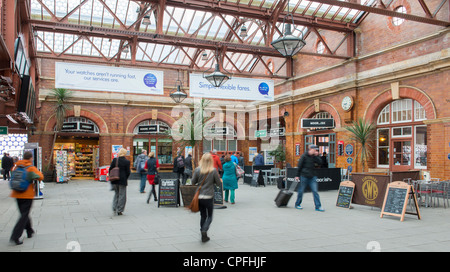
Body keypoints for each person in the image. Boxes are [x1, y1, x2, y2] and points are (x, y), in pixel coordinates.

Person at [10, 151, 43, 245]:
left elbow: (12, 175)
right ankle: (15, 236)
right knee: (24, 215)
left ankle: (29, 230)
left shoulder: (16, 166)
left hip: (16, 193)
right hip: (27, 194)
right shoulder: (30, 168)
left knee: (24, 213)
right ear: (31, 158)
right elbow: (41, 176)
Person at [191, 153, 222, 243]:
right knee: (210, 216)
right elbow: (218, 183)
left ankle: (203, 235)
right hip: (209, 196)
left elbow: (193, 182)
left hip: (199, 196)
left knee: (203, 215)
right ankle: (204, 230)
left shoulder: (197, 170)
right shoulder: (213, 171)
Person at [294, 145, 324, 212]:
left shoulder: (314, 157)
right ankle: (297, 204)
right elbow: (299, 166)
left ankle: (318, 206)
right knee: (301, 191)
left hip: (312, 176)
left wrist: (317, 156)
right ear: (310, 149)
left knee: (315, 191)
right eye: (314, 149)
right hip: (304, 176)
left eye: (316, 150)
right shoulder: (304, 156)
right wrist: (297, 175)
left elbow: (320, 163)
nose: (315, 151)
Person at [109, 148, 131, 216]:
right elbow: (128, 172)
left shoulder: (115, 160)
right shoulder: (127, 162)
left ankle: (114, 208)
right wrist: (125, 178)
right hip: (122, 180)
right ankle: (120, 210)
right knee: (122, 195)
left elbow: (110, 169)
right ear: (124, 153)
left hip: (115, 180)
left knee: (116, 194)